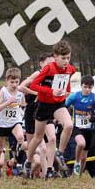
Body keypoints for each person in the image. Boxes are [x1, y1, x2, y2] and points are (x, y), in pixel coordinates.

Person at [24, 40, 75, 178]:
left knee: (69, 125)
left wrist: (67, 91)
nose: (66, 61)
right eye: (63, 58)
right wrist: (50, 91)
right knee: (38, 137)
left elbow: (67, 83)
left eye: (68, 58)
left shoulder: (71, 69)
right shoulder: (49, 68)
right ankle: (28, 161)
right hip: (43, 105)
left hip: (58, 104)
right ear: (55, 56)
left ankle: (60, 153)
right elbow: (34, 86)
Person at [0, 68, 27, 176]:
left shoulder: (20, 92)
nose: (14, 85)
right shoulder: (3, 91)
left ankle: (18, 163)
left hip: (15, 122)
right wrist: (7, 102)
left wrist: (22, 116)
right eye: (12, 82)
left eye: (16, 82)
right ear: (7, 81)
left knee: (21, 138)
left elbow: (23, 105)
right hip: (2, 123)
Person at [65, 75, 95, 176]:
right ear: (81, 86)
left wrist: (92, 118)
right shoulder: (74, 96)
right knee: (81, 144)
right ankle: (76, 162)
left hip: (89, 129)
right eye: (85, 87)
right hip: (77, 127)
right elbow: (64, 107)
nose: (87, 90)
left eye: (89, 88)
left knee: (84, 157)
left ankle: (78, 175)